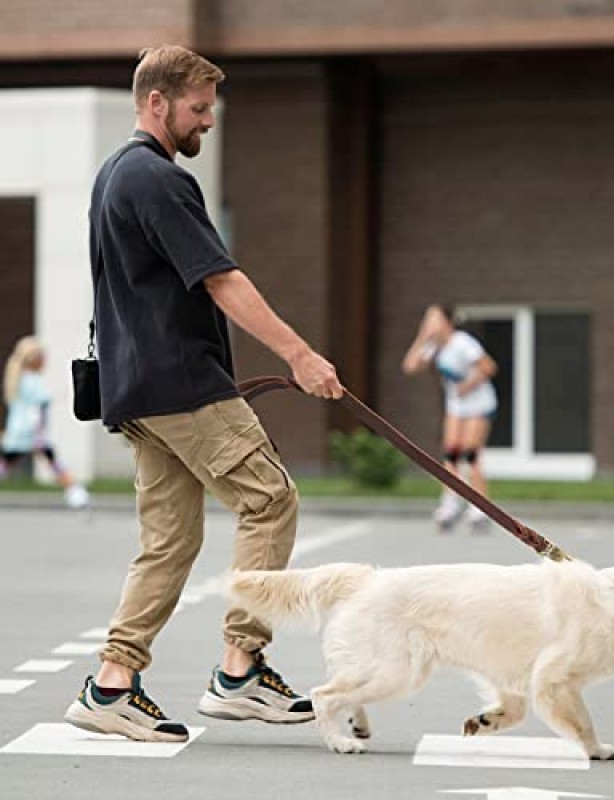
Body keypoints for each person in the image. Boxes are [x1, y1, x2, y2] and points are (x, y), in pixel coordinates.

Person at [63, 45, 343, 744]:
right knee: (269, 499)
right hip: (182, 383)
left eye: (209, 108)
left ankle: (111, 684)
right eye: (198, 107)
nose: (207, 121)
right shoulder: (156, 179)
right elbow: (221, 279)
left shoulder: (112, 177)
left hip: (136, 390)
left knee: (169, 543)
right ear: (156, 103)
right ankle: (240, 669)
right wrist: (299, 354)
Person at [402, 304, 498, 530]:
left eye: (434, 319)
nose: (431, 324)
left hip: (479, 403)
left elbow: (488, 367)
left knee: (471, 453)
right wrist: (421, 338)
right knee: (451, 453)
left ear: (447, 321)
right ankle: (450, 503)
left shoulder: (462, 343)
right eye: (427, 320)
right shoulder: (433, 347)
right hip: (457, 406)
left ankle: (479, 507)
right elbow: (410, 367)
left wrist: (468, 385)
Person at [0, 336, 90, 509]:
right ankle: (76, 493)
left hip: (19, 432)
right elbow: (39, 409)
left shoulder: (19, 379)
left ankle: (75, 492)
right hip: (31, 432)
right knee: (54, 463)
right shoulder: (32, 381)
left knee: (8, 463)